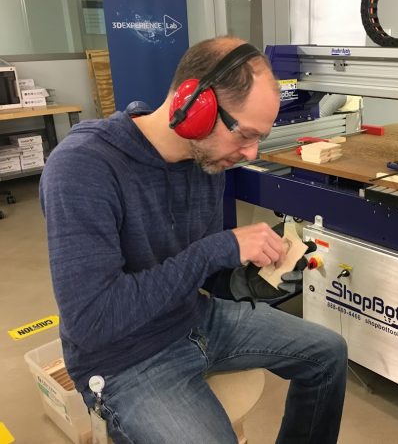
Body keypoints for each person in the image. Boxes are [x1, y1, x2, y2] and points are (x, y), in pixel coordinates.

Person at [39, 36, 348, 444]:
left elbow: (200, 274)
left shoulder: (206, 161)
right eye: (245, 134)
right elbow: (94, 322)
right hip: (124, 359)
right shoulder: (84, 168)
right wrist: (219, 248)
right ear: (193, 106)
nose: (252, 154)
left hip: (194, 318)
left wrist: (251, 279)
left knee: (328, 353)